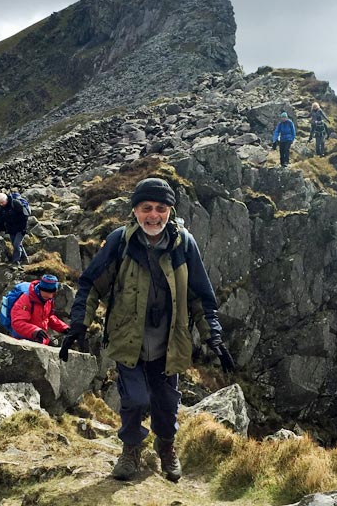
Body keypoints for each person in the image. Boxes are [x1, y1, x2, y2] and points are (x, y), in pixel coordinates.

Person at [59, 177, 235, 482]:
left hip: (170, 344)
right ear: (135, 211)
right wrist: (78, 325)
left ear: (170, 210)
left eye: (160, 208)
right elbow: (91, 284)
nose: (153, 215)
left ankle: (166, 446)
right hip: (130, 342)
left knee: (167, 405)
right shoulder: (120, 242)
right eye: (146, 208)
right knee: (136, 400)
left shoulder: (184, 245)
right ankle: (130, 450)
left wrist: (213, 336)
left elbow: (200, 296)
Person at [11, 274, 69, 344]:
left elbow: (48, 317)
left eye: (51, 294)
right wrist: (35, 331)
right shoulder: (26, 299)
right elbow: (17, 323)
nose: (50, 296)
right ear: (40, 289)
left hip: (39, 341)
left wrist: (64, 328)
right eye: (46, 295)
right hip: (21, 342)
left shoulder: (48, 300)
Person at [0, 192, 29, 265]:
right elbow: (0, 222)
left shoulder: (15, 204)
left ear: (6, 199)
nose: (1, 204)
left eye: (2, 202)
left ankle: (15, 262)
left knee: (16, 245)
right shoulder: (2, 209)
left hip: (21, 229)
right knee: (16, 244)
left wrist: (23, 229)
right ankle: (25, 259)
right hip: (11, 229)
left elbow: (24, 217)